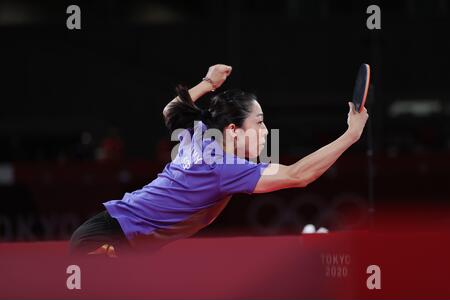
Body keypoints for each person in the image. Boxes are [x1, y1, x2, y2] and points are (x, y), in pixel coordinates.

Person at [70, 64, 369, 256]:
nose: (266, 132)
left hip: (105, 233)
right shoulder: (224, 168)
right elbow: (298, 175)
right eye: (260, 123)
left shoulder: (200, 132)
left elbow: (170, 109)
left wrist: (208, 82)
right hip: (106, 243)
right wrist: (350, 136)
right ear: (233, 131)